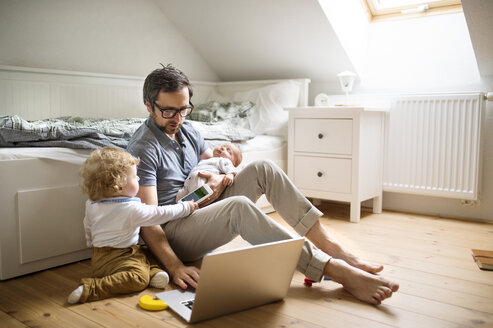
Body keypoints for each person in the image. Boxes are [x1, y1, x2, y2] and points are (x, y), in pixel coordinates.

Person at [127, 64, 399, 305]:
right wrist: (175, 267)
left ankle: (334, 250)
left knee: (263, 168)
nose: (177, 118)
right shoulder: (144, 147)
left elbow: (211, 164)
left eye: (184, 109)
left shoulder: (187, 130)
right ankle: (337, 271)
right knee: (238, 206)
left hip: (201, 208)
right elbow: (149, 221)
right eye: (168, 111)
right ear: (149, 106)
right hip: (174, 231)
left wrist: (225, 175)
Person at [67, 147, 198, 304]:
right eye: (135, 177)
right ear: (119, 186)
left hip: (99, 255)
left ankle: (153, 272)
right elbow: (160, 213)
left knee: (146, 251)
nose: (139, 179)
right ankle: (92, 288)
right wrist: (186, 207)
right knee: (138, 278)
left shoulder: (92, 203)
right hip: (117, 259)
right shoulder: (130, 209)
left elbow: (87, 224)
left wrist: (90, 242)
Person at [176, 142, 242, 202]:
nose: (222, 148)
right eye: (223, 146)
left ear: (233, 162)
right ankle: (181, 206)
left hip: (203, 179)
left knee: (198, 192)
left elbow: (230, 167)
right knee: (179, 196)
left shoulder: (224, 161)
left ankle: (193, 206)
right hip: (189, 181)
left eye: (228, 151)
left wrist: (230, 174)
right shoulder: (208, 159)